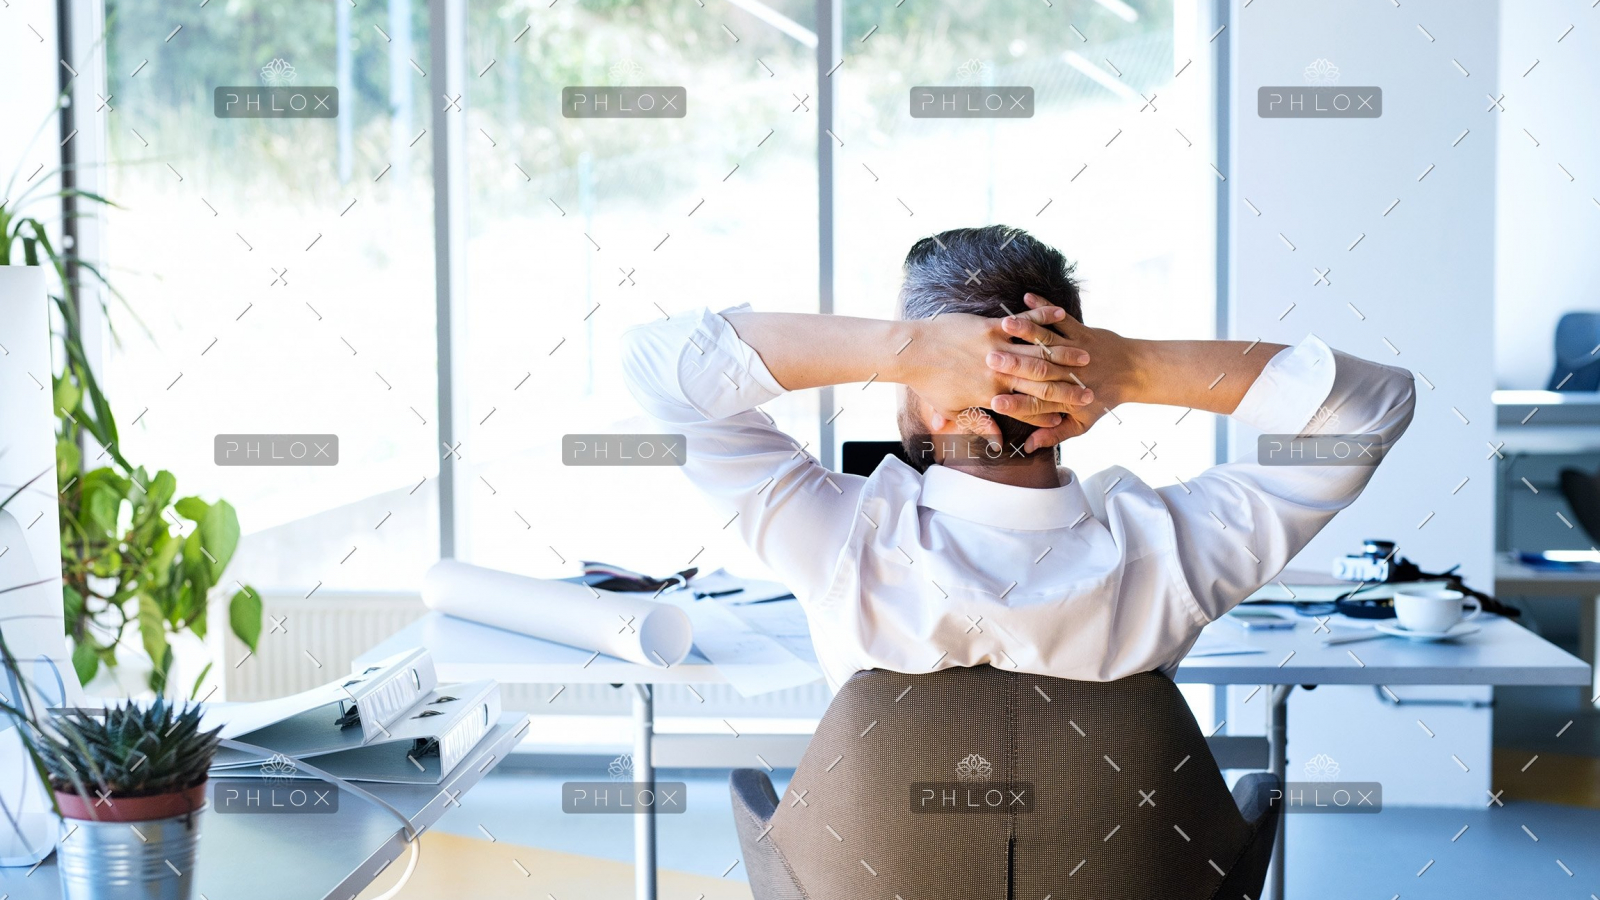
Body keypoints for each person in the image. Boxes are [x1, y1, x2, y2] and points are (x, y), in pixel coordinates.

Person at [621, 225, 1416, 690]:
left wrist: (906, 350)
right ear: (1079, 395)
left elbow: (658, 368)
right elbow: (1377, 404)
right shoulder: (1178, 552)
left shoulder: (837, 541)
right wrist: (1129, 367)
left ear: (924, 395)